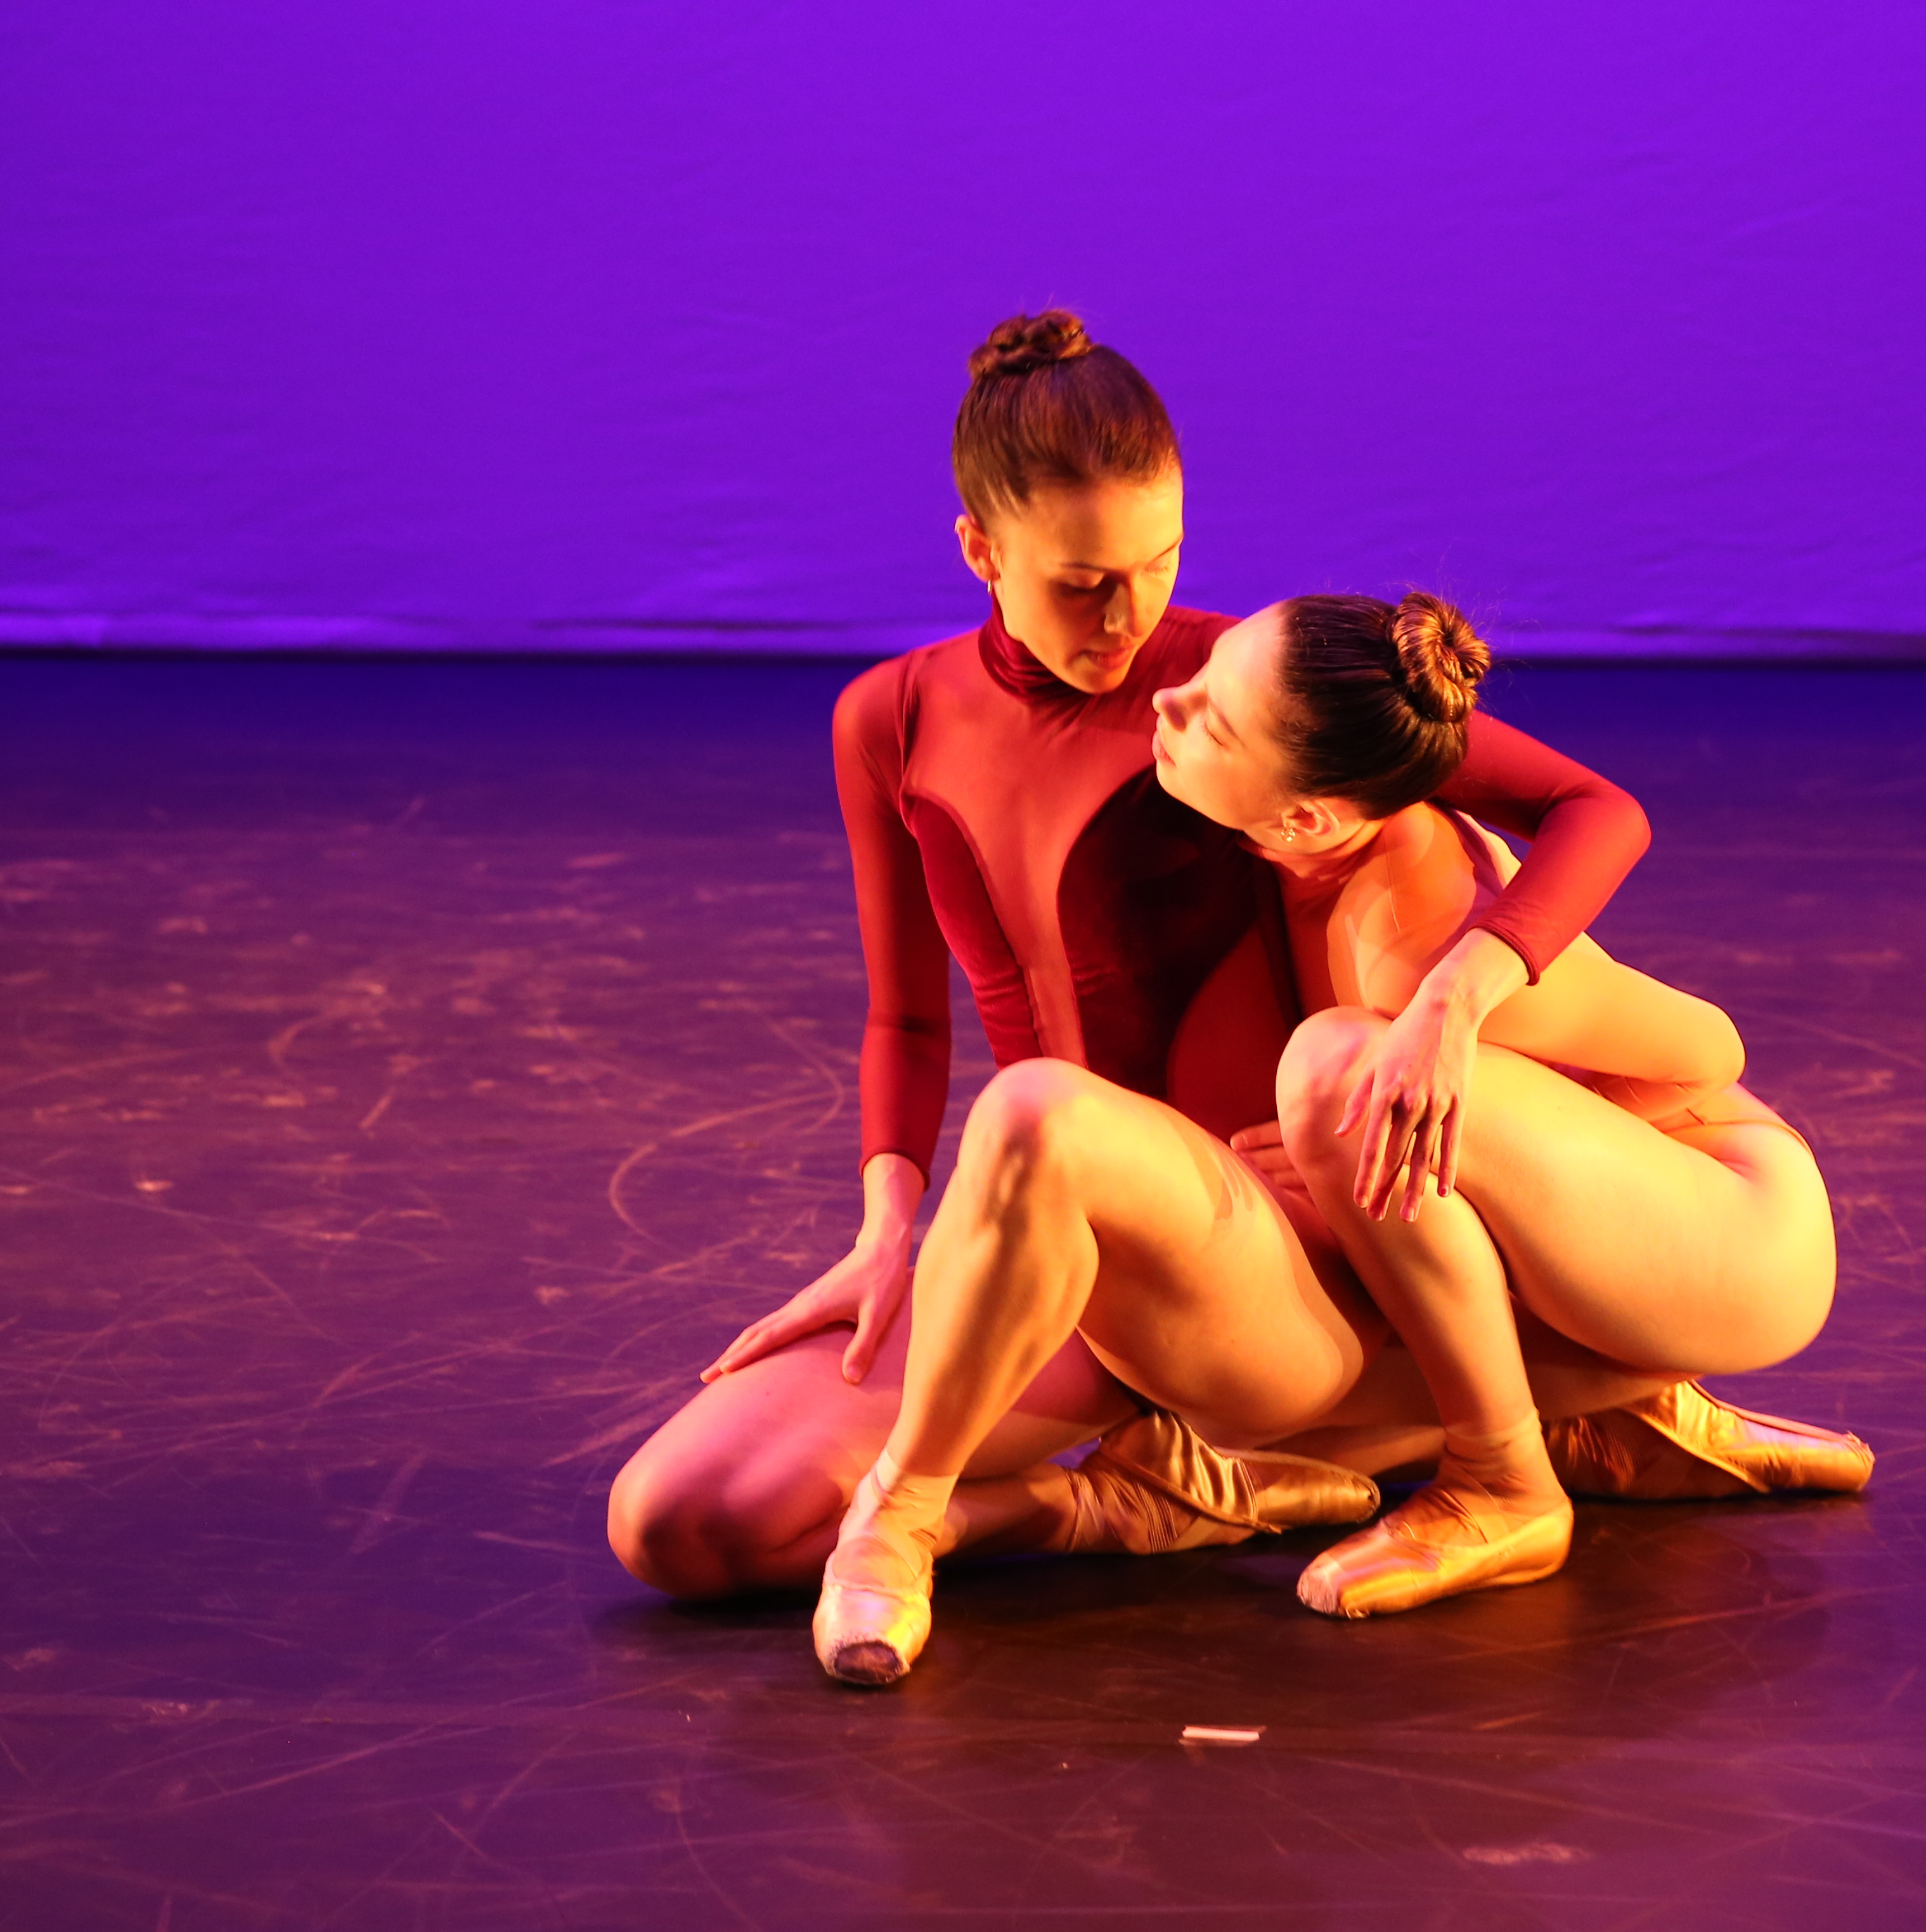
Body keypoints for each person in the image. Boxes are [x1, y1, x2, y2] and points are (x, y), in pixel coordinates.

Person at [608, 312, 1661, 1613]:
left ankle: (1182, 1464)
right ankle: (1156, 1496)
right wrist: (889, 1226)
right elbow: (906, 1020)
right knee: (688, 1526)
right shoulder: (888, 720)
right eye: (1081, 583)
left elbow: (1594, 810)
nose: (1129, 617)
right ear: (979, 551)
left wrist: (1457, 994)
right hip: (1052, 1226)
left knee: (797, 1498)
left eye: (1157, 564)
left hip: (1257, 1252)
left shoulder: (1242, 691)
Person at [803, 592, 1869, 1681]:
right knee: (1299, 1155)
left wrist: (1473, 991)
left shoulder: (1416, 934)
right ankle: (1591, 1425)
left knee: (1336, 1071)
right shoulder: (1321, 804)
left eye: (1209, 718)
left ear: (1306, 817)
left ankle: (1505, 1482)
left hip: (1733, 1228)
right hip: (1575, 1238)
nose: (1164, 702)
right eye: (1206, 679)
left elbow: (1709, 1047)